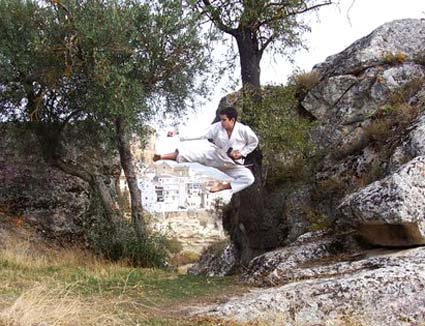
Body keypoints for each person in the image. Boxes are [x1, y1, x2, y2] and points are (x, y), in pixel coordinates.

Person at [153, 106, 259, 193]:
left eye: (224, 120)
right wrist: (178, 132)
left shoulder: (244, 130)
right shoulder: (217, 127)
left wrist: (242, 153)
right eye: (221, 119)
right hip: (215, 156)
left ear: (232, 120)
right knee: (190, 155)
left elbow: (254, 142)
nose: (222, 122)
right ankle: (162, 156)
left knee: (249, 178)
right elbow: (200, 133)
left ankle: (222, 186)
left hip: (232, 164)